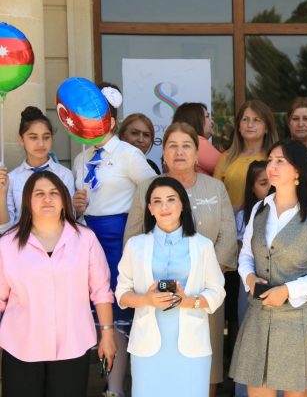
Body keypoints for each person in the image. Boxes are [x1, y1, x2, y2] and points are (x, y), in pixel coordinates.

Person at [124, 122, 237, 396]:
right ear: (163, 153)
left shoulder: (215, 187)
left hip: (204, 289)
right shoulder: (147, 187)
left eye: (186, 146)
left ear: (197, 153)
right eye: (172, 146)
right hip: (151, 297)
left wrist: (204, 274)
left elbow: (228, 234)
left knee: (202, 362)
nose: (179, 152)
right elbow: (134, 234)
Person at [230, 140, 307, 396]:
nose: (272, 166)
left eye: (280, 161)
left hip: (298, 320)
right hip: (259, 317)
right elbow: (245, 255)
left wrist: (288, 290)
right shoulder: (259, 210)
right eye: (270, 160)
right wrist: (249, 277)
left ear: (298, 170)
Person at [72, 82, 156, 397]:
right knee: (98, 315)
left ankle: (119, 389)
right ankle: (110, 385)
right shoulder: (81, 159)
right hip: (88, 239)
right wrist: (77, 209)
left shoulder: (129, 154)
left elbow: (154, 192)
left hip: (120, 240)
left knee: (120, 316)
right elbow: (83, 206)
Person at [0, 171, 116, 397]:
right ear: (27, 201)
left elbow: (101, 291)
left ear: (64, 200)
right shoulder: (8, 244)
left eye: (54, 193)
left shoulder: (85, 239)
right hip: (21, 345)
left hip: (73, 344)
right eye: (39, 193)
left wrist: (108, 335)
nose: (47, 198)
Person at [116, 176, 225, 397]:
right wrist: (146, 299)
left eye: (171, 199)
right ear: (149, 208)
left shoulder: (202, 245)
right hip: (147, 346)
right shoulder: (135, 246)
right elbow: (121, 293)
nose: (164, 207)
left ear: (182, 204)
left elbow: (217, 291)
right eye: (157, 201)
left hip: (192, 346)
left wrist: (188, 302)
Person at [0, 106, 74, 233]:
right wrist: (2, 193)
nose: (41, 144)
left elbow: (69, 218)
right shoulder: (12, 178)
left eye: (46, 137)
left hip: (56, 241)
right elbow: (5, 229)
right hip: (22, 242)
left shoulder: (64, 174)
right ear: (21, 140)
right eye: (33, 137)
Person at [233, 160, 270, 397]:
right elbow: (241, 254)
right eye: (263, 183)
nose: (270, 187)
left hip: (279, 283)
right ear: (252, 188)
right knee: (250, 337)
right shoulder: (245, 215)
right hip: (249, 282)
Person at [213, 100, 279, 212]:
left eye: (256, 120)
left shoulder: (275, 159)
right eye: (245, 119)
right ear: (239, 127)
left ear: (267, 128)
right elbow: (214, 197)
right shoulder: (225, 158)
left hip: (267, 219)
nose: (250, 125)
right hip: (231, 220)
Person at [172, 102, 222, 176]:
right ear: (195, 120)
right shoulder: (197, 143)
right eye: (207, 116)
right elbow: (228, 168)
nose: (212, 121)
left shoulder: (180, 142)